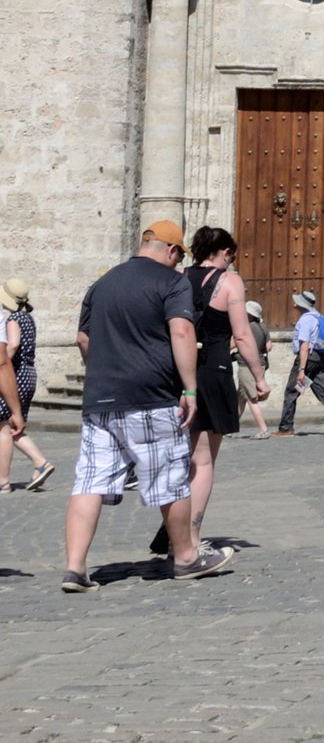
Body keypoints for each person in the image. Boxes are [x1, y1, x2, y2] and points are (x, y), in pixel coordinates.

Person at [61, 220, 234, 590]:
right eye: (177, 257)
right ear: (171, 251)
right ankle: (187, 557)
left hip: (101, 399)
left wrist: (103, 372)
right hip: (151, 396)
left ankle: (75, 568)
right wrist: (189, 389)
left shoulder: (101, 284)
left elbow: (82, 338)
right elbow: (182, 331)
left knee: (89, 480)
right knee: (170, 480)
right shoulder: (171, 282)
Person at [147, 228, 269, 556]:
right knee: (202, 463)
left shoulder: (177, 278)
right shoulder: (230, 282)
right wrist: (259, 377)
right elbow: (242, 335)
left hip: (176, 374)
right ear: (224, 251)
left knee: (182, 458)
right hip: (212, 374)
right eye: (231, 254)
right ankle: (189, 538)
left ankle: (173, 528)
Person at [0, 277, 56, 492]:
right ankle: (39, 463)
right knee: (11, 425)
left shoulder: (13, 318)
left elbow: (13, 344)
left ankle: (4, 480)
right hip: (29, 373)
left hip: (16, 374)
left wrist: (4, 361)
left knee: (4, 426)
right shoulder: (27, 317)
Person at [277, 289, 324, 434]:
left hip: (307, 358)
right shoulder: (321, 319)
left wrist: (302, 370)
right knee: (322, 390)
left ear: (300, 305)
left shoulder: (305, 320)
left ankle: (285, 428)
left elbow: (304, 345)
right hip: (320, 358)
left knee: (291, 391)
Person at [240, 298, 274, 437]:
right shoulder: (263, 327)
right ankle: (229, 428)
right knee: (240, 398)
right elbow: (269, 347)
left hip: (246, 365)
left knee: (251, 399)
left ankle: (264, 429)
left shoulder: (247, 328)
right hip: (260, 364)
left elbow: (236, 343)